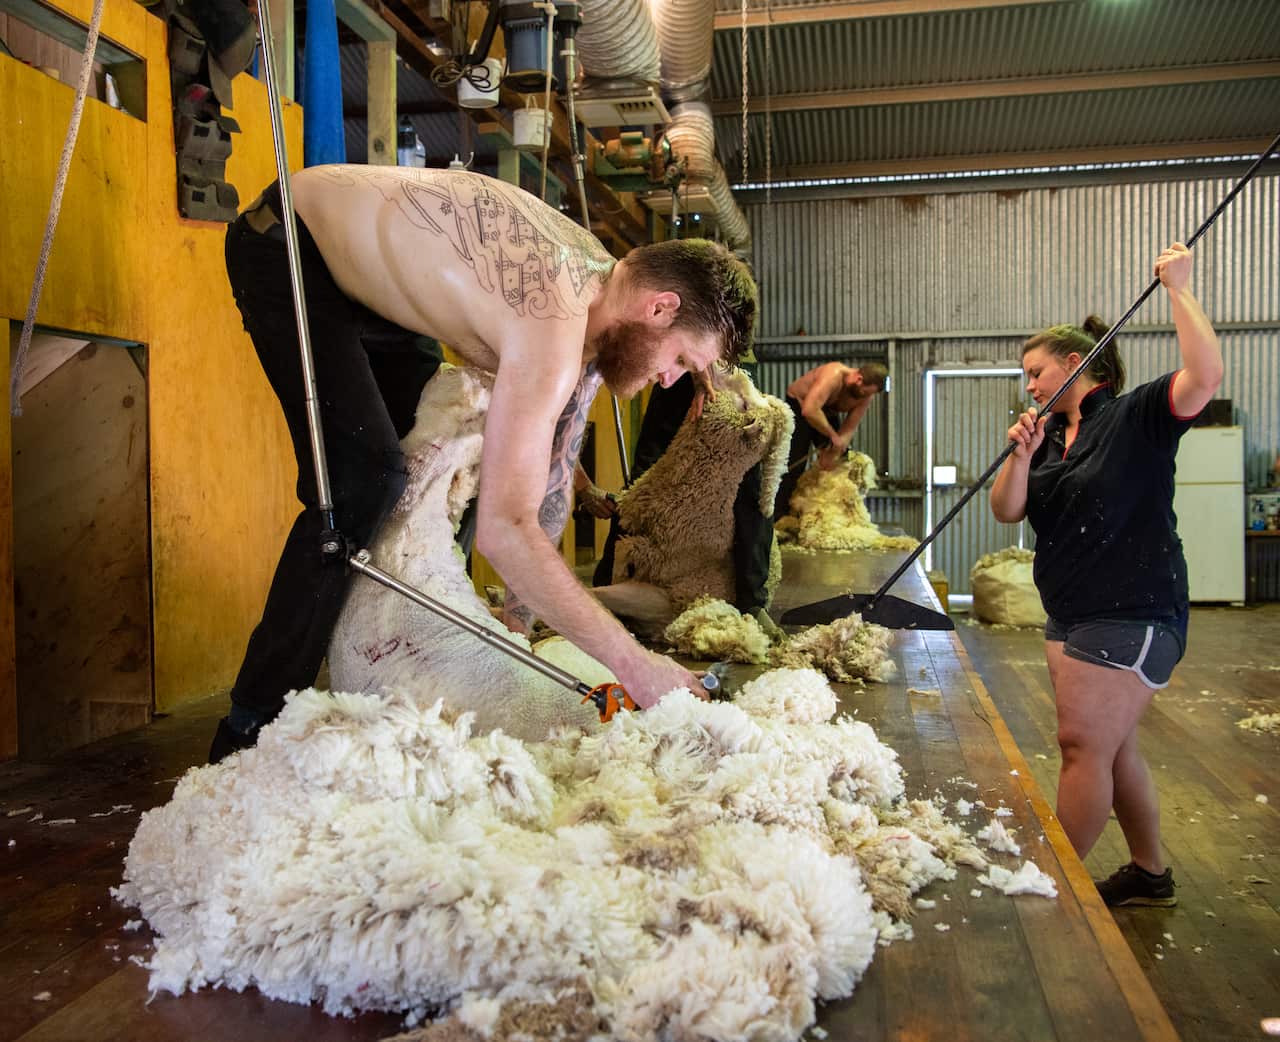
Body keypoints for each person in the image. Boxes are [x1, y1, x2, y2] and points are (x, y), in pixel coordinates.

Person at [209, 165, 757, 762]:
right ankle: (250, 725)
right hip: (290, 245)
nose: (672, 378)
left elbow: (548, 481)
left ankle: (423, 647)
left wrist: (516, 632)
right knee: (363, 484)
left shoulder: (601, 309)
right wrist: (635, 664)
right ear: (661, 308)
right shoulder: (553, 319)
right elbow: (507, 530)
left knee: (435, 474)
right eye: (683, 357)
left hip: (368, 288)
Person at [989, 242, 1222, 908]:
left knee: (1081, 747)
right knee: (1113, 750)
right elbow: (1009, 512)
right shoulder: (1052, 440)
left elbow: (1205, 377)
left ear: (1074, 364)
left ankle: (1045, 890)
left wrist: (1179, 289)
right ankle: (1150, 873)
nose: (1029, 385)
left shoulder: (1134, 416)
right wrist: (1021, 456)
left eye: (1036, 372)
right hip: (1072, 614)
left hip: (1134, 611)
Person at [774, 361, 886, 520]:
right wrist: (833, 436)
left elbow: (849, 428)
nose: (864, 396)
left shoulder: (866, 396)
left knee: (838, 459)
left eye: (868, 394)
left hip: (827, 412)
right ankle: (780, 516)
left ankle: (826, 513)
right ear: (858, 379)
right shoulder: (833, 375)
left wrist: (837, 449)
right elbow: (810, 410)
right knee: (795, 462)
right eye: (863, 392)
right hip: (801, 406)